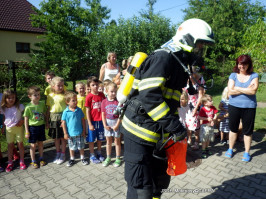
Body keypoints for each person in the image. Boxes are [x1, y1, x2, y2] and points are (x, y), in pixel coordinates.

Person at [119, 18, 215, 198]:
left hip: (159, 133)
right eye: (199, 43)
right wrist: (174, 126)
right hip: (139, 132)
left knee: (159, 182)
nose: (200, 49)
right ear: (187, 38)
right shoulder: (162, 58)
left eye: (203, 45)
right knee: (141, 187)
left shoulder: (178, 62)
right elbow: (150, 97)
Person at [225, 54, 259, 162]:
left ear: (249, 64)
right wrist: (245, 89)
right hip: (234, 106)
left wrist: (236, 88)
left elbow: (253, 91)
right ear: (237, 64)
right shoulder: (233, 75)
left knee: (247, 131)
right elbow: (230, 91)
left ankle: (247, 152)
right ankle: (230, 148)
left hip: (249, 107)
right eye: (240, 64)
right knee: (233, 129)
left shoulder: (254, 75)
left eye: (244, 64)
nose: (242, 66)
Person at [0, 89, 26, 172]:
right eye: (9, 98)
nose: (11, 99)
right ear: (5, 99)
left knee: (20, 144)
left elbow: (26, 113)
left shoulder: (19, 106)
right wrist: (3, 126)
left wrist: (22, 120)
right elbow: (4, 117)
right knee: (10, 146)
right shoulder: (3, 108)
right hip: (9, 129)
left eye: (13, 97)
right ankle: (10, 162)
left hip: (18, 128)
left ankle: (22, 161)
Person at [62, 91, 88, 167]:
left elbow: (83, 120)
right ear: (67, 102)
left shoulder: (79, 110)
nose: (75, 102)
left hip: (79, 132)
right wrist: (65, 133)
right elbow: (63, 123)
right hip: (70, 134)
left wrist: (84, 131)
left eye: (76, 100)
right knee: (71, 147)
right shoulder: (65, 112)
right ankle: (72, 158)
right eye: (73, 100)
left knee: (81, 146)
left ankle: (82, 157)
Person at [24, 86, 47, 169]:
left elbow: (44, 114)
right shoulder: (28, 107)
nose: (37, 96)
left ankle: (41, 158)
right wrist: (27, 131)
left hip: (41, 126)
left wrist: (47, 123)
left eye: (38, 94)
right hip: (32, 128)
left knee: (41, 143)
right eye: (35, 95)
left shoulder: (42, 104)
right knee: (33, 145)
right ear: (29, 96)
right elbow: (26, 120)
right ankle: (33, 160)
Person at [46, 76, 67, 165]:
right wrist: (47, 121)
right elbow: (48, 109)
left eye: (62, 85)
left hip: (63, 118)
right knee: (56, 137)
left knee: (63, 137)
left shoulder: (65, 95)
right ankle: (57, 152)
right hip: (53, 118)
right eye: (59, 85)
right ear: (53, 86)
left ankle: (63, 154)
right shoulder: (50, 96)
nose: (61, 87)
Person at [85, 76, 105, 164]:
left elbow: (104, 108)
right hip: (92, 122)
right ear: (89, 86)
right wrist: (89, 123)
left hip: (101, 121)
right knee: (91, 139)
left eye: (96, 85)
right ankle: (92, 154)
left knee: (100, 138)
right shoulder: (89, 97)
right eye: (93, 85)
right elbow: (87, 111)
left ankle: (99, 152)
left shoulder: (102, 95)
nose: (95, 87)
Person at [101, 82, 122, 167]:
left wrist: (117, 125)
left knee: (117, 141)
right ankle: (108, 157)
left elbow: (121, 115)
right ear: (106, 91)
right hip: (107, 123)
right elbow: (103, 114)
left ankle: (118, 158)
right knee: (108, 141)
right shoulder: (104, 102)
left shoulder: (118, 102)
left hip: (116, 122)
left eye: (115, 91)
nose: (114, 93)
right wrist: (104, 125)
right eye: (112, 91)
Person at [185, 66, 205, 148]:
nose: (190, 76)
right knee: (187, 123)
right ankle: (189, 139)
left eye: (191, 74)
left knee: (196, 123)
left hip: (196, 104)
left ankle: (196, 142)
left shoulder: (200, 79)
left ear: (194, 73)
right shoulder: (184, 79)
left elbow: (201, 95)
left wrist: (196, 108)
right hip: (186, 104)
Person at [198, 94, 218, 158]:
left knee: (208, 139)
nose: (212, 101)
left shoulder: (213, 108)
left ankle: (207, 149)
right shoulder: (203, 109)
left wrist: (214, 118)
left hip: (211, 127)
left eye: (211, 100)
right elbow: (199, 117)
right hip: (205, 127)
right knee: (204, 139)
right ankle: (203, 150)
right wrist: (207, 119)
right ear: (205, 103)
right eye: (210, 101)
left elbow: (215, 114)